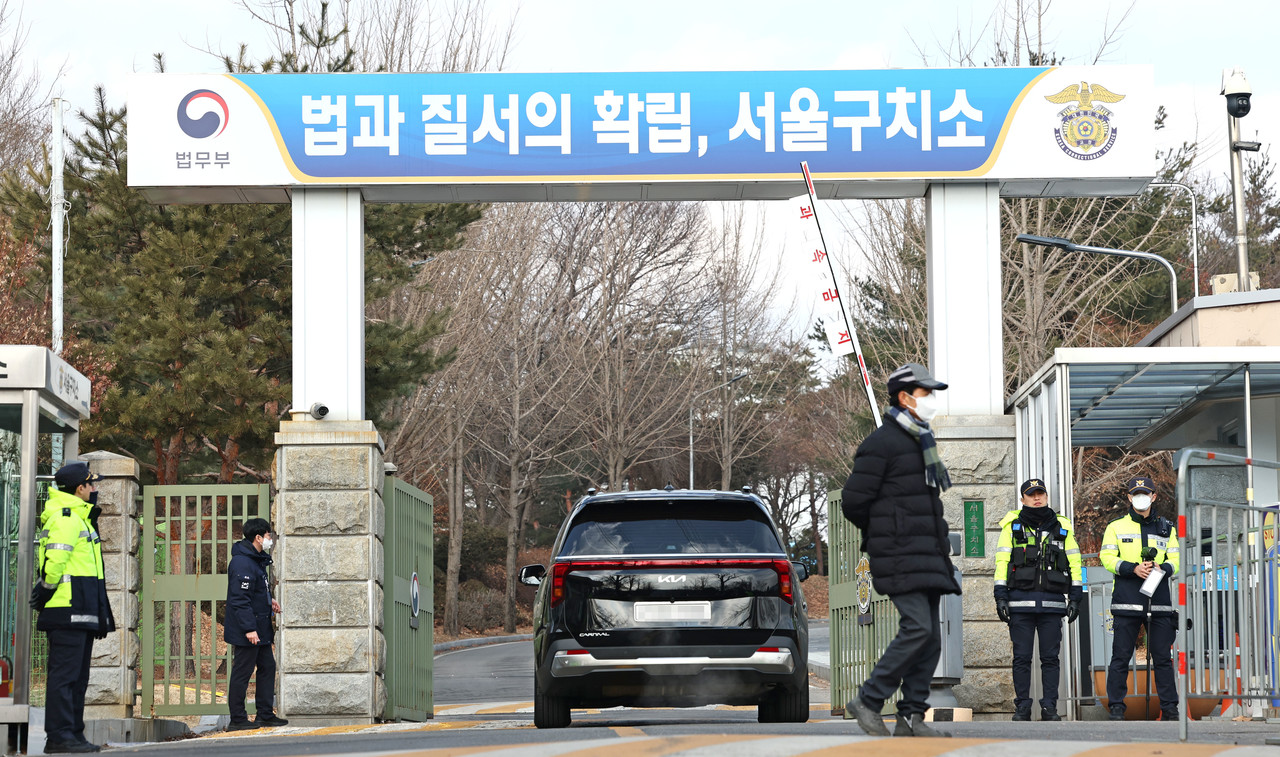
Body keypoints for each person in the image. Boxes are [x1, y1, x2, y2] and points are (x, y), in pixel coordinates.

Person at [842, 362, 961, 738]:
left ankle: (911, 717)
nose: (931, 400)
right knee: (918, 628)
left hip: (925, 554)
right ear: (905, 397)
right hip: (899, 554)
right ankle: (869, 699)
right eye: (926, 393)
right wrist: (887, 533)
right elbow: (852, 502)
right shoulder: (882, 443)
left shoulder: (920, 441)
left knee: (930, 636)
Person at [30, 461, 115, 754]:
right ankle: (59, 736)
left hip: (78, 610)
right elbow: (54, 563)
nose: (95, 489)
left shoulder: (79, 517)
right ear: (80, 488)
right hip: (67, 610)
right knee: (65, 678)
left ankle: (72, 734)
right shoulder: (67, 517)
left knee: (77, 679)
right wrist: (45, 590)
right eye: (92, 484)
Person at [993, 478, 1083, 722]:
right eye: (1031, 494)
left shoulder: (1062, 526)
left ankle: (1049, 708)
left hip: (1052, 606)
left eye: (1040, 493)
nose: (1037, 498)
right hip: (1020, 604)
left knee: (1050, 659)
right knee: (1021, 659)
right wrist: (1000, 596)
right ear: (1022, 499)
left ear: (1046, 496)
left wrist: (1075, 598)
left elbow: (1076, 562)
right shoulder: (1011, 526)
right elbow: (1001, 563)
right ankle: (1022, 707)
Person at [1101, 477, 1180, 721]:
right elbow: (1106, 557)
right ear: (1129, 497)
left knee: (1163, 658)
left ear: (1154, 496)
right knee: (1120, 656)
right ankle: (1116, 707)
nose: (1141, 497)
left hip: (1159, 602)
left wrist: (1163, 568)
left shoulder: (1168, 528)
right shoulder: (1115, 526)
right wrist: (1132, 568)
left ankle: (1170, 709)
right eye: (1136, 493)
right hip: (1127, 601)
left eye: (1145, 493)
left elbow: (1176, 561)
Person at [224, 518, 288, 730]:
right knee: (243, 672)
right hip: (248, 629)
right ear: (258, 537)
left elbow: (256, 591)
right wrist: (249, 629)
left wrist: (270, 601)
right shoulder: (242, 562)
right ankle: (238, 719)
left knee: (267, 667)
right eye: (269, 536)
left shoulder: (255, 560)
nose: (271, 539)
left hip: (259, 627)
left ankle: (265, 714)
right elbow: (239, 599)